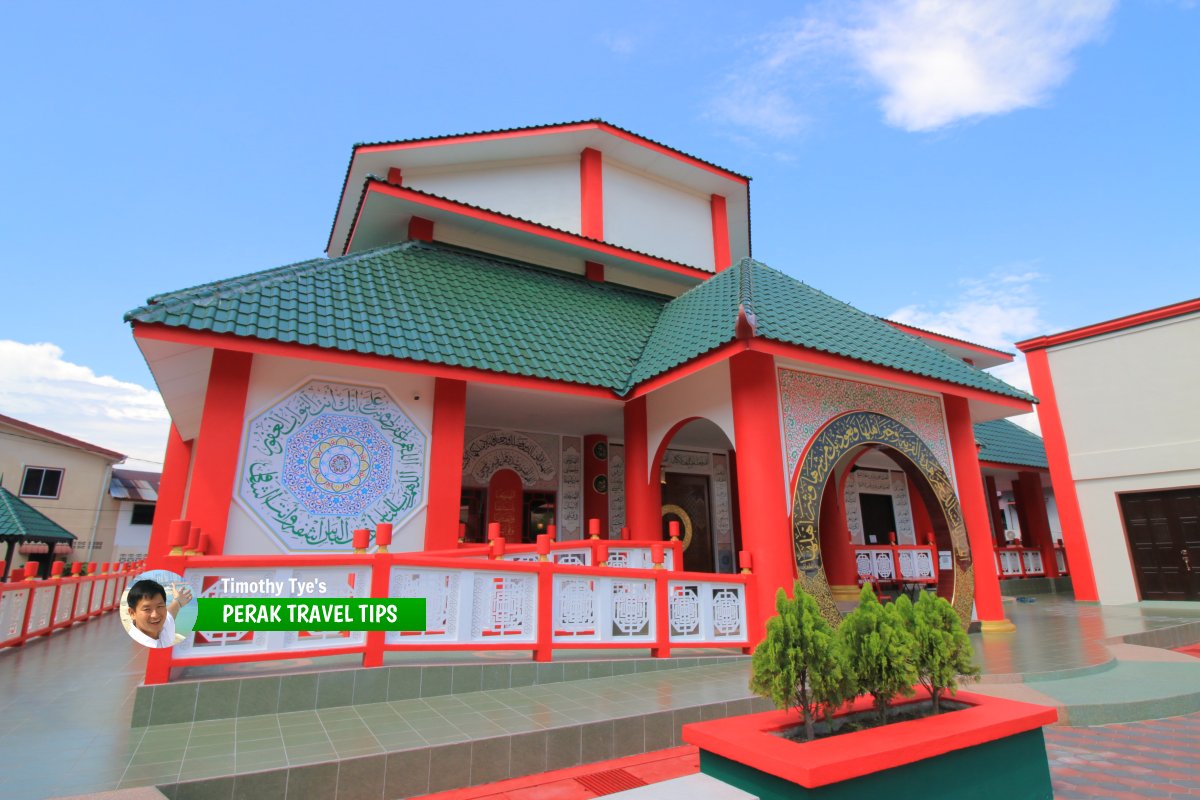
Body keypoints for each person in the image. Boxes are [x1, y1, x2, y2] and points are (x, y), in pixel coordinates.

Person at [125, 578, 193, 648]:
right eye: (147, 609)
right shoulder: (134, 647)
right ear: (132, 613)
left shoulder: (164, 626)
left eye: (159, 606)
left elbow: (170, 613)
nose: (155, 615)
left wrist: (178, 601)